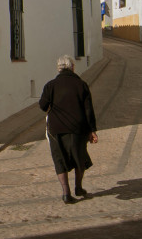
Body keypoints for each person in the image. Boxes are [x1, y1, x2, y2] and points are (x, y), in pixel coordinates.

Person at [39, 55, 98, 204]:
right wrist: (93, 130)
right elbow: (88, 110)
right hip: (78, 128)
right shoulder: (82, 85)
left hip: (56, 129)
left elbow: (43, 106)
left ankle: (66, 193)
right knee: (79, 157)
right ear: (72, 67)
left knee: (60, 160)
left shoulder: (50, 85)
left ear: (59, 68)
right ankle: (78, 187)